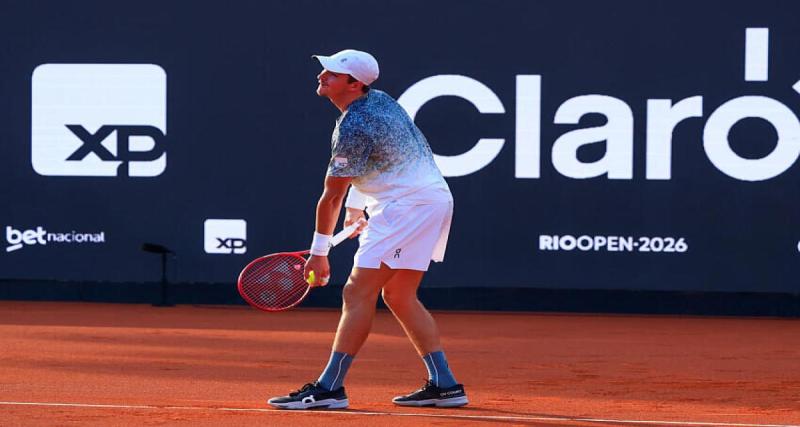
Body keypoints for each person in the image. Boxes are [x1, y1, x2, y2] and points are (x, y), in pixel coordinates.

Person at [267, 49, 468, 410]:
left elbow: (331, 196)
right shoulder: (380, 101)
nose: (322, 76)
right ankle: (445, 384)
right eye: (324, 70)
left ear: (354, 83)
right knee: (399, 295)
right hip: (430, 200)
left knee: (356, 292)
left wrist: (319, 254)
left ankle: (329, 388)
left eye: (332, 73)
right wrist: (357, 209)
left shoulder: (353, 126)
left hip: (408, 207)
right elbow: (374, 163)